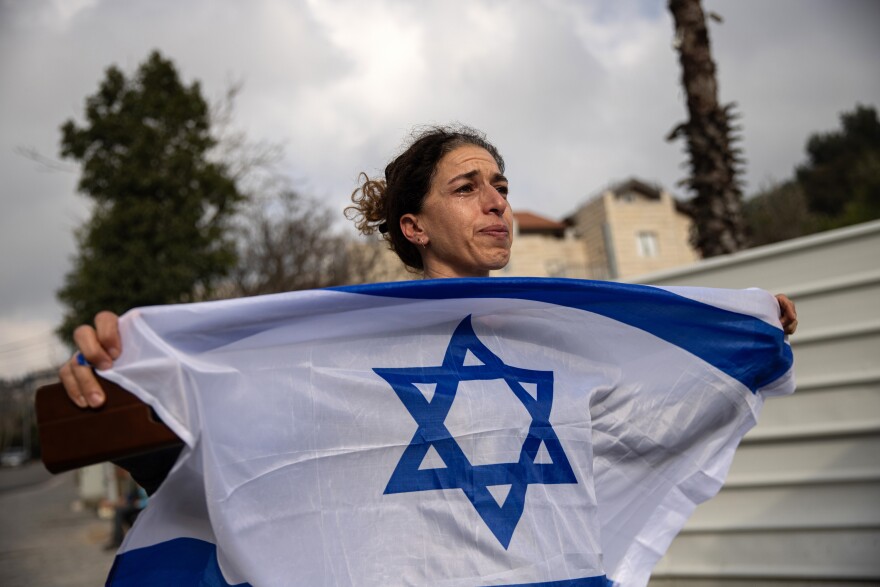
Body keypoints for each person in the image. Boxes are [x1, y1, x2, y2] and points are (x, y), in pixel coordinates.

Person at [57, 124, 798, 492]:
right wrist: (124, 379)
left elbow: (647, 425)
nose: (498, 201)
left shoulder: (565, 340)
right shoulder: (341, 352)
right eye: (468, 185)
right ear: (414, 226)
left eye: (500, 184)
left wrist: (741, 332)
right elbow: (243, 461)